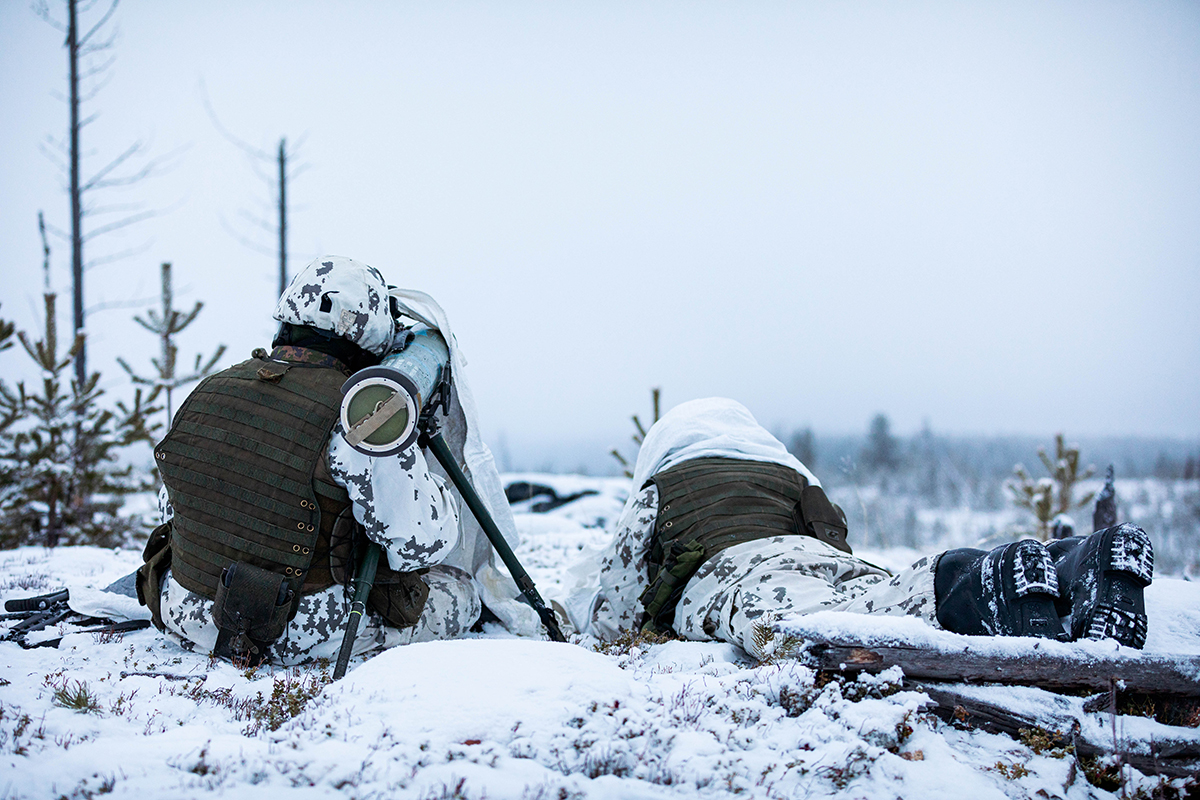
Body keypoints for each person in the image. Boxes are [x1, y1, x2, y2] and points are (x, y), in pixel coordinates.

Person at [136, 255, 538, 665]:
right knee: (460, 590)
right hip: (299, 631)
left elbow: (174, 507)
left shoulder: (209, 390)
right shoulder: (362, 417)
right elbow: (421, 546)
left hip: (183, 609)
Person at [565, 398, 1153, 657]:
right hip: (811, 557)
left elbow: (619, 595)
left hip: (730, 578)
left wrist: (611, 636)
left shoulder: (662, 485)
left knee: (811, 630)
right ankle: (1071, 563)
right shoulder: (786, 468)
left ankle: (991, 586)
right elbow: (833, 534)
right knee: (876, 595)